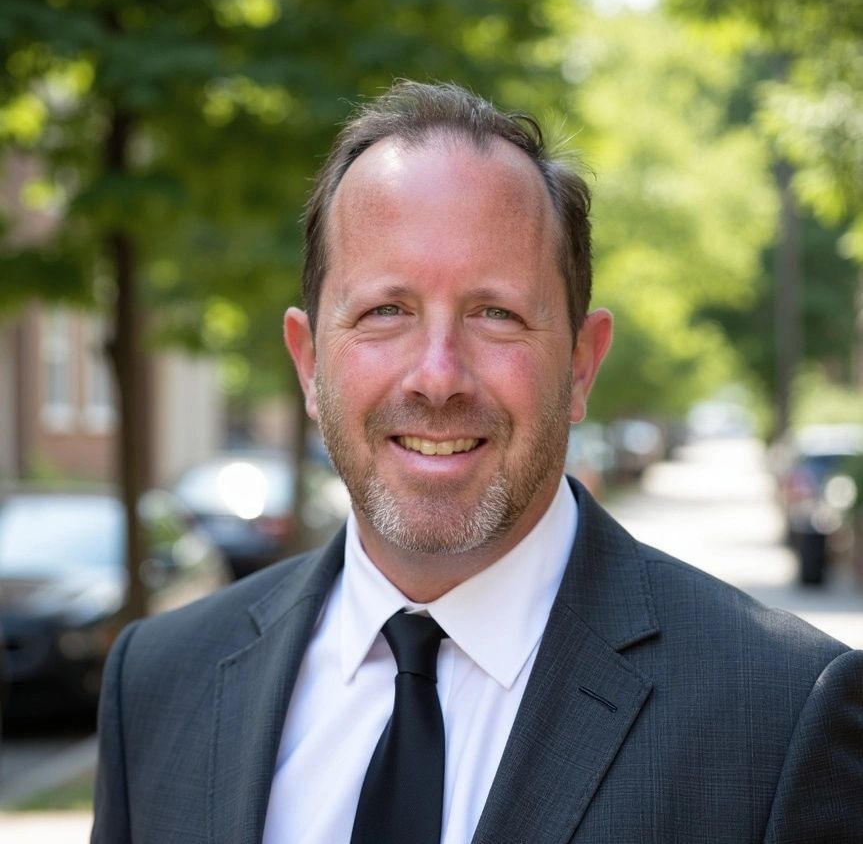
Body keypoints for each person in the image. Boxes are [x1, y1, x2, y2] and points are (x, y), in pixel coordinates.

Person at [91, 81, 862, 844]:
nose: (437, 377)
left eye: (495, 313)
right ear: (308, 362)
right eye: (384, 311)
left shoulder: (780, 715)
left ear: (581, 365)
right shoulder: (157, 682)